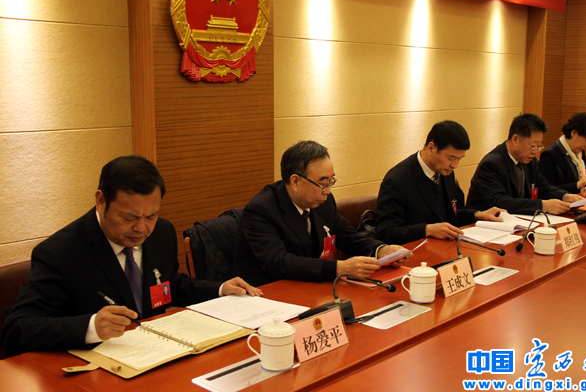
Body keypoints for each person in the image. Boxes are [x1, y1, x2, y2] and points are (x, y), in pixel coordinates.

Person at [0, 156, 261, 357]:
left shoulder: (161, 232)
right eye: (129, 217)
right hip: (93, 368)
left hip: (153, 355)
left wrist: (220, 289)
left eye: (151, 216)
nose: (142, 228)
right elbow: (16, 329)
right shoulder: (60, 253)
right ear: (101, 201)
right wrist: (90, 326)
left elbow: (168, 285)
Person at [233, 140, 409, 287]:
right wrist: (339, 268)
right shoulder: (261, 210)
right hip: (268, 293)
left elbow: (346, 235)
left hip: (306, 285)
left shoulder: (322, 201)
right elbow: (278, 262)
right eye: (323, 183)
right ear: (295, 181)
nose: (328, 191)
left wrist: (382, 250)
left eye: (331, 181)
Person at [375, 121, 504, 245]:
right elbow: (386, 233)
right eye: (451, 158)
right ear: (431, 148)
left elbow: (450, 215)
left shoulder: (445, 172)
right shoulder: (397, 180)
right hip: (415, 254)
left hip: (445, 248)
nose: (455, 165)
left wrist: (478, 215)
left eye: (459, 159)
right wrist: (427, 230)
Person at [466, 113, 582, 215]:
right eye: (533, 146)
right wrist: (543, 205)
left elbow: (544, 188)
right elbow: (499, 201)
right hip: (484, 225)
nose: (535, 152)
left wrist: (565, 196)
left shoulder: (530, 161)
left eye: (539, 146)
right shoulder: (492, 164)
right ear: (515, 139)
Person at [540, 112, 586, 194]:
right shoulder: (550, 155)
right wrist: (576, 185)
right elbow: (546, 190)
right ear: (574, 133)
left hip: (579, 198)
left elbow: (585, 183)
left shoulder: (580, 152)